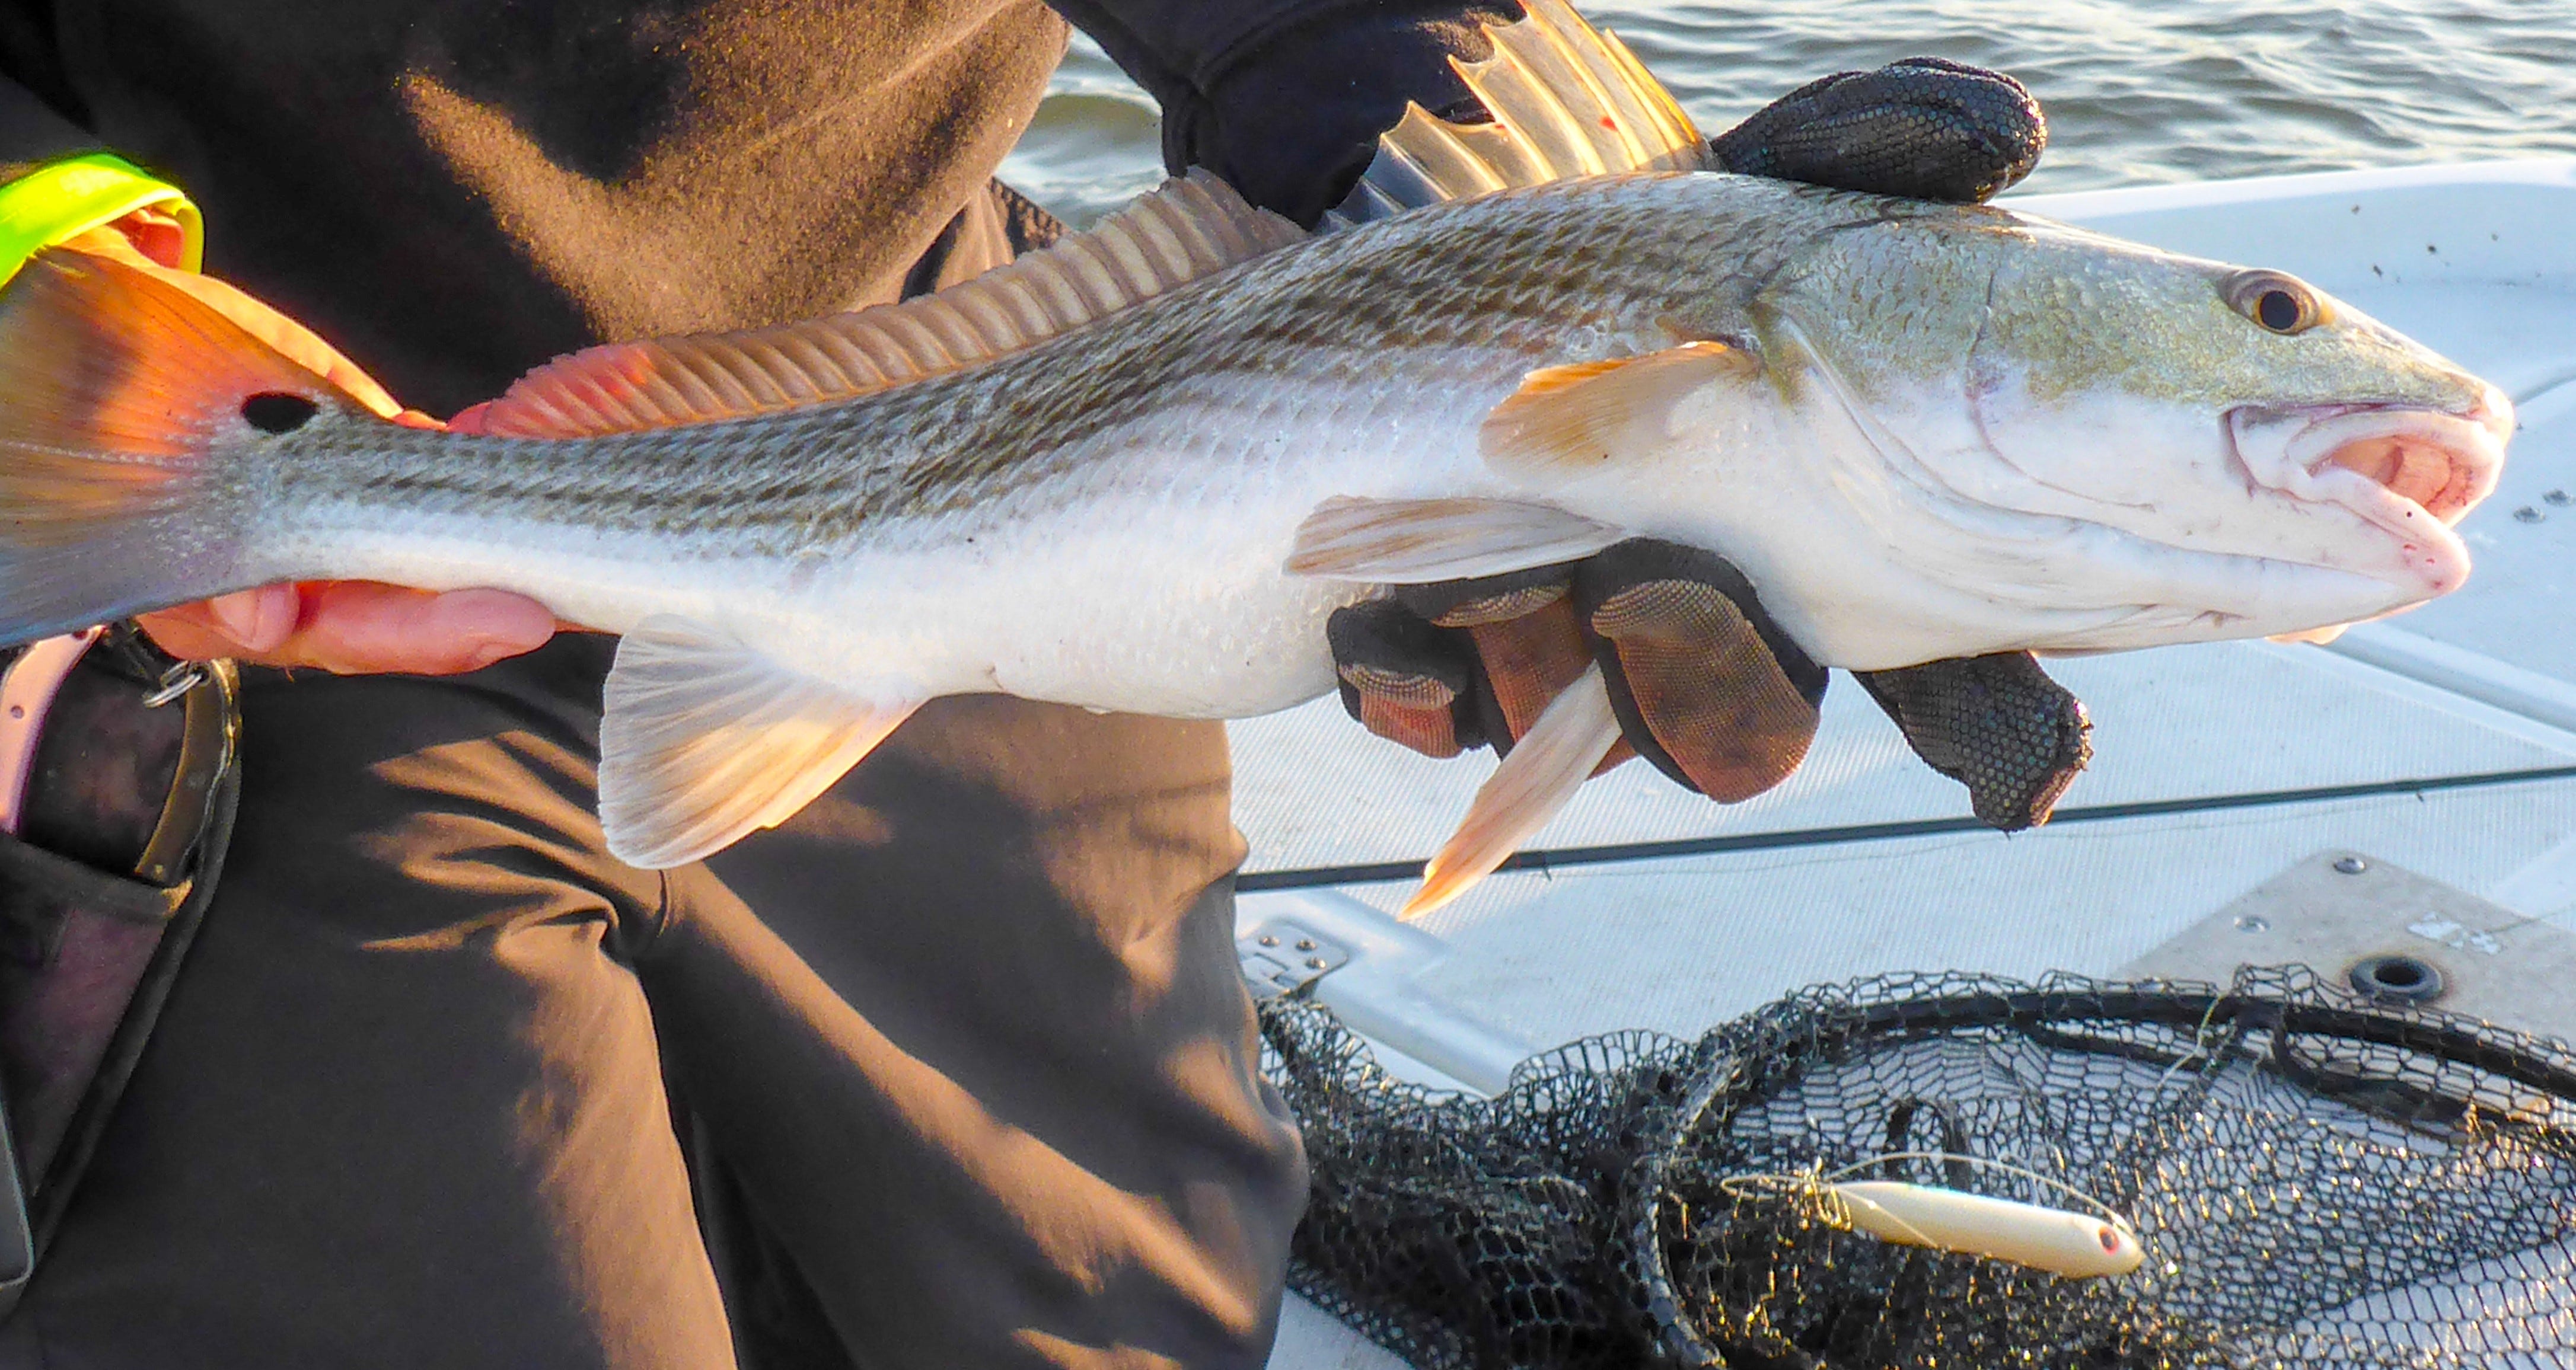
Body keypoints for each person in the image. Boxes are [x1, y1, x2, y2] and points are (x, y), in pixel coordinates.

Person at [0, 2, 2045, 1365]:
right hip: (197, 465)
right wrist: (35, 286)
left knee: (1096, 1313)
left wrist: (1427, 82)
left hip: (978, 406)